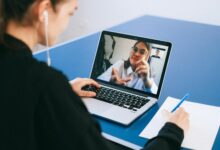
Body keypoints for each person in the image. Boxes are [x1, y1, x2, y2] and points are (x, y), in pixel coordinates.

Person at [0, 0, 189, 150]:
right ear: (44, 9)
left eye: (142, 52)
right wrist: (172, 132)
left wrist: (63, 92)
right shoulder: (47, 85)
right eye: (70, 13)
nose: (67, 23)